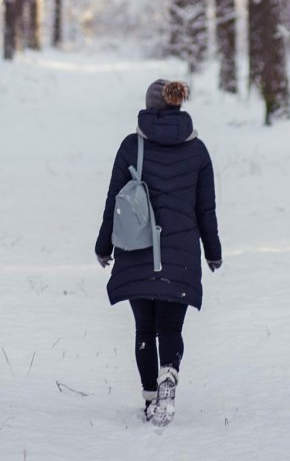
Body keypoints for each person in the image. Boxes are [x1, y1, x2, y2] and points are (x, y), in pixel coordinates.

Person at [94, 78, 222, 426]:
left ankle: (151, 399)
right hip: (179, 255)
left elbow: (113, 202)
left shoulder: (130, 146)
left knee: (144, 329)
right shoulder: (198, 151)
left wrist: (103, 245)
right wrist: (213, 251)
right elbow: (205, 209)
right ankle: (170, 375)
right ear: (179, 105)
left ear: (150, 106)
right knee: (170, 328)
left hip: (137, 250)